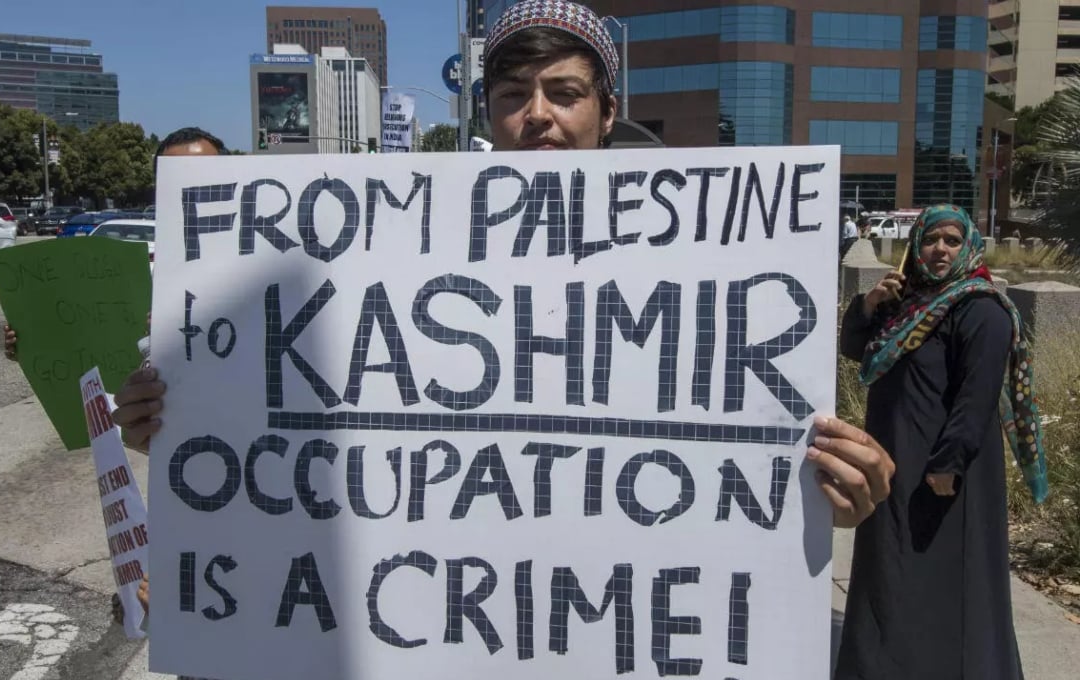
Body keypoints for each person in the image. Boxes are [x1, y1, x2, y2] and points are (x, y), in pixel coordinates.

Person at [113, 0, 894, 532]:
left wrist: (835, 488)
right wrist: (190, 420)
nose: (538, 115)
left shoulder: (709, 255)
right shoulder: (397, 238)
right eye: (514, 93)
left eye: (565, 92)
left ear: (608, 111)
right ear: (488, 111)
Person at [835, 204, 1049, 680]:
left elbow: (975, 399)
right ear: (916, 245)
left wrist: (947, 463)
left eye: (952, 241)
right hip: (894, 462)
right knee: (891, 571)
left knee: (950, 575)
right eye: (931, 240)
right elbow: (856, 350)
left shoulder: (980, 309)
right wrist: (869, 305)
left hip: (946, 469)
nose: (940, 250)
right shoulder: (906, 302)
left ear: (967, 246)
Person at [3, 127, 228, 361]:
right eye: (176, 177)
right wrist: (34, 345)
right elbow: (89, 340)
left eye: (204, 174)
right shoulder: (132, 274)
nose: (191, 188)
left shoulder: (264, 262)